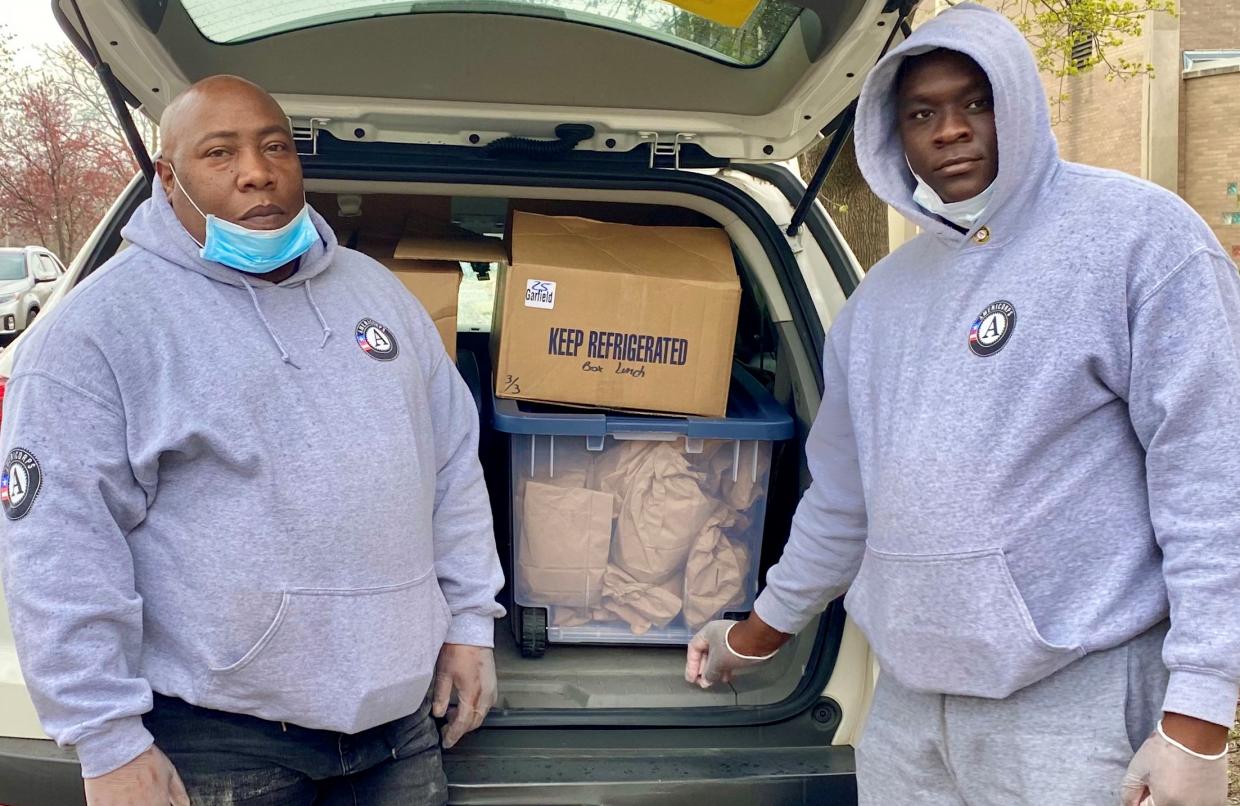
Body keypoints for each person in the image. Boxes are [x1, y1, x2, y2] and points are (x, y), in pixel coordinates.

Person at [686, 5, 1240, 804]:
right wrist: (756, 635)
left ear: (1018, 102)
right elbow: (843, 505)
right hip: (910, 712)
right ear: (895, 135)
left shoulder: (1140, 239)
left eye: (975, 103)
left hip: (1074, 706)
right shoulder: (879, 304)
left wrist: (1196, 725)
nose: (950, 131)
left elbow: (1212, 483)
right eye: (922, 113)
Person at [0, 75, 505, 805]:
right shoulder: (101, 330)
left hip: (399, 724)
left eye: (276, 146)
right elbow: (59, 547)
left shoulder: (377, 293)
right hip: (220, 738)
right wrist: (107, 739)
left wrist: (468, 625)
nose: (257, 170)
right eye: (219, 152)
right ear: (168, 180)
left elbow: (454, 470)